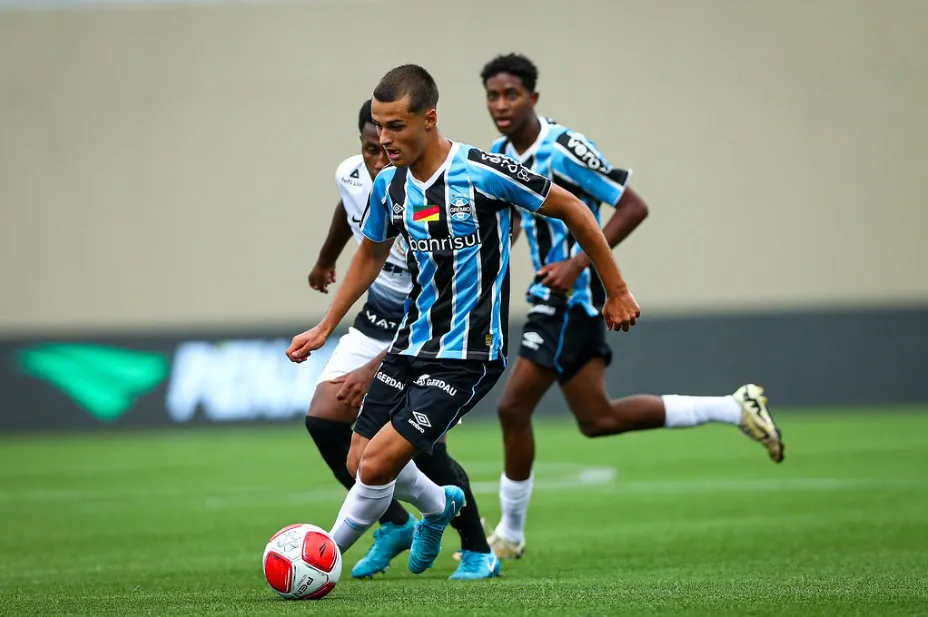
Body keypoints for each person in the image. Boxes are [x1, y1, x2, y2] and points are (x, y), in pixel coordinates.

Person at [285, 63, 641, 577]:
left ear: (429, 119)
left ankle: (318, 558)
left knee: (380, 462)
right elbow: (368, 254)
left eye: (395, 127)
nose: (384, 139)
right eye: (379, 127)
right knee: (356, 459)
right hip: (409, 343)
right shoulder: (391, 186)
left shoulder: (484, 170)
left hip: (468, 353)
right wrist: (325, 327)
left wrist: (618, 289)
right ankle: (438, 505)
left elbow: (578, 213)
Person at [478, 53, 785, 560]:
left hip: (571, 299)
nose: (501, 104)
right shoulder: (498, 152)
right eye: (493, 95)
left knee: (513, 408)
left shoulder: (564, 149)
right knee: (598, 419)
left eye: (511, 94)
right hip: (552, 297)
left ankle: (509, 537)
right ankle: (732, 407)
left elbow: (633, 206)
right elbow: (513, 218)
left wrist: (576, 264)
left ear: (534, 97)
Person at [304, 99, 499, 580]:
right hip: (376, 314)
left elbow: (450, 283)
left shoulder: (427, 188)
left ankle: (477, 549)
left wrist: (374, 370)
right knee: (325, 420)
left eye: (386, 143)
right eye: (370, 148)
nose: (378, 158)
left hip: (429, 324)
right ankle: (393, 523)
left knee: (418, 443)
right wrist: (326, 258)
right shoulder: (357, 176)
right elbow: (351, 215)